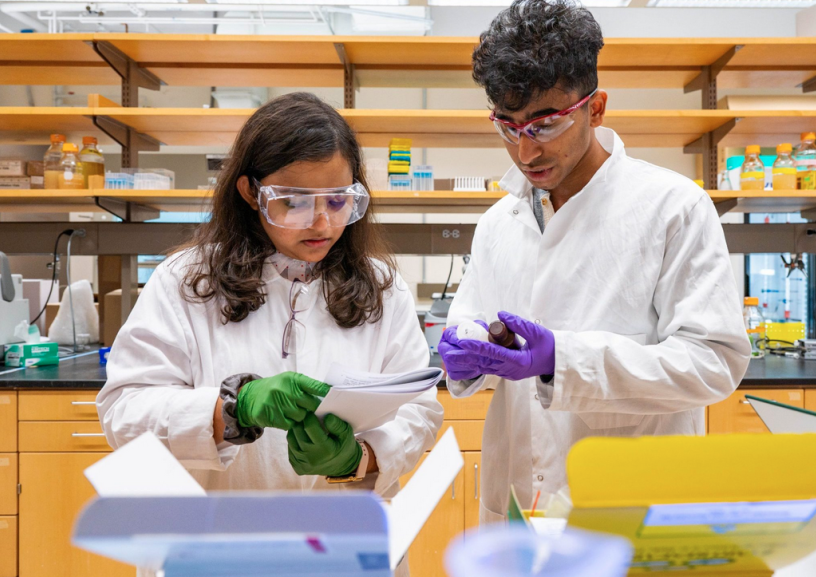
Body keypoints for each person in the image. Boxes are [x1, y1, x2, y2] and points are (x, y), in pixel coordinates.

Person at [98, 93, 443, 573]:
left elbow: (419, 410)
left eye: (338, 200)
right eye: (294, 202)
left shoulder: (383, 289)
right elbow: (122, 411)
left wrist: (358, 458)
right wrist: (230, 411)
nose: (321, 222)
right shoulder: (186, 281)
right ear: (249, 192)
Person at [439, 0, 750, 525]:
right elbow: (472, 325)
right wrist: (465, 352)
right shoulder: (499, 221)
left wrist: (563, 360)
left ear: (596, 107)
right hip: (516, 506)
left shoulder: (673, 207)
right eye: (508, 126)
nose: (525, 151)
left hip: (628, 507)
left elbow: (715, 363)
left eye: (544, 124)